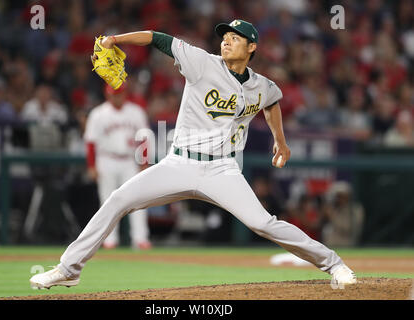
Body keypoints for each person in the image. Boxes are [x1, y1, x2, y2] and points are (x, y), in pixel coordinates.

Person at [30, 19, 357, 289]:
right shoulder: (201, 62)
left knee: (264, 224)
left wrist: (280, 141)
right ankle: (69, 269)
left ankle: (335, 265)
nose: (226, 42)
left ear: (252, 47)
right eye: (225, 37)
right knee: (117, 199)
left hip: (223, 170)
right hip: (179, 163)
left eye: (235, 38)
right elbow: (158, 38)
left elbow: (270, 102)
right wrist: (116, 38)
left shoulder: (263, 85)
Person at [84, 83, 152, 250]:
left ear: (125, 94)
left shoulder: (136, 112)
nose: (117, 97)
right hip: (106, 160)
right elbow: (90, 142)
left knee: (137, 200)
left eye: (119, 94)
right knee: (107, 201)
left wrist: (144, 163)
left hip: (129, 161)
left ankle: (140, 238)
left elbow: (144, 139)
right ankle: (109, 241)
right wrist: (92, 166)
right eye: (114, 94)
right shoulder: (98, 114)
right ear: (107, 95)